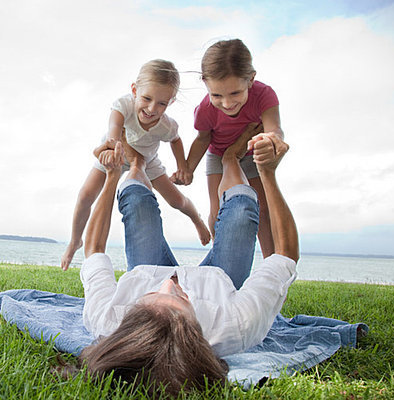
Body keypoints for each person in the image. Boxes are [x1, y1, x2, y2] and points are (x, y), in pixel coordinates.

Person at [77, 128, 298, 396]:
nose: (171, 285)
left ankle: (137, 163)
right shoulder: (236, 325)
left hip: (149, 268)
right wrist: (267, 173)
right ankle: (230, 158)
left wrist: (112, 175)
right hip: (219, 277)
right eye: (181, 301)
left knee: (135, 198)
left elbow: (94, 249)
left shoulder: (106, 318)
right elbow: (285, 255)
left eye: (153, 296)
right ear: (198, 332)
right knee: (241, 210)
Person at [60, 59, 211, 270]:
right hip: (114, 152)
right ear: (134, 90)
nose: (152, 108)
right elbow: (115, 124)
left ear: (171, 102)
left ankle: (197, 219)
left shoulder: (167, 125)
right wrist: (112, 147)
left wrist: (182, 166)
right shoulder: (124, 105)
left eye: (162, 103)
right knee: (86, 195)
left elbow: (175, 140)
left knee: (176, 200)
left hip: (148, 161)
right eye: (147, 98)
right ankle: (75, 240)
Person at [180, 39, 284, 258]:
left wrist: (272, 140)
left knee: (262, 210)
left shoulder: (264, 95)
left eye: (235, 94)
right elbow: (202, 139)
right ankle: (222, 259)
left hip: (252, 153)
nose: (226, 103)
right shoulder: (205, 110)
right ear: (205, 82)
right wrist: (188, 168)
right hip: (218, 154)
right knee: (218, 211)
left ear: (250, 79)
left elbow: (274, 128)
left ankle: (271, 266)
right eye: (217, 95)